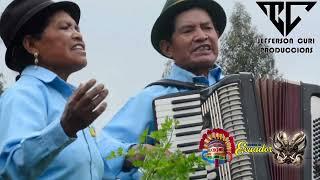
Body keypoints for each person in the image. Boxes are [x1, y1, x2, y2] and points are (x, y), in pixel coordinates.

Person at [97, 0, 227, 179]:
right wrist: (137, 152)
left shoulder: (237, 90)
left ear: (217, 35)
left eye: (207, 28)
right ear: (168, 48)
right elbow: (99, 150)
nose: (201, 36)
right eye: (188, 30)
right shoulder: (153, 98)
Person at [0, 0, 109, 179]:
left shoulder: (71, 103)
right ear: (31, 45)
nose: (78, 35)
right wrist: (64, 129)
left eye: (77, 28)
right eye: (65, 28)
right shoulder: (21, 95)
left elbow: (104, 155)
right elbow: (9, 169)